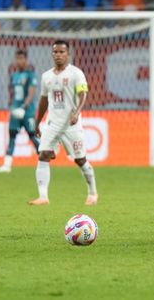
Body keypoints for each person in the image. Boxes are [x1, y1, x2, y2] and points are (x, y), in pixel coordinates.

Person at [29, 40, 98, 206]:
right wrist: (38, 122)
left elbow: (83, 95)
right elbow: (44, 100)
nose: (58, 55)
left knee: (80, 160)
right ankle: (43, 197)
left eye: (62, 52)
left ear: (68, 54)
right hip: (52, 123)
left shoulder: (76, 73)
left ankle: (93, 193)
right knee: (43, 155)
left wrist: (76, 112)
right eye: (56, 52)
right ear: (52, 54)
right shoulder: (47, 76)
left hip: (71, 124)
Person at [0, 50, 41, 173]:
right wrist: (12, 105)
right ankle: (7, 165)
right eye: (18, 58)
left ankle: (43, 161)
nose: (19, 61)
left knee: (33, 136)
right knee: (12, 135)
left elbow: (31, 93)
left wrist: (24, 106)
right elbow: (13, 93)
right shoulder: (14, 76)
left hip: (28, 111)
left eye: (22, 58)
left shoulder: (31, 75)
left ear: (26, 60)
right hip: (15, 110)